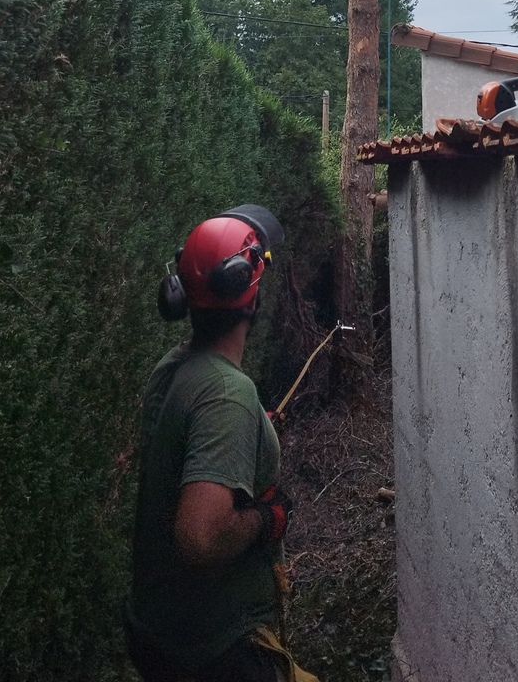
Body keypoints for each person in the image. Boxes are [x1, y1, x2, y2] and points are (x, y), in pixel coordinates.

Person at [125, 205, 317, 682]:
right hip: (216, 648)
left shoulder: (175, 367)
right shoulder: (228, 393)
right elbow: (201, 536)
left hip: (160, 630)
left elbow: (185, 445)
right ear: (248, 298)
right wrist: (264, 519)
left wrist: (251, 427)